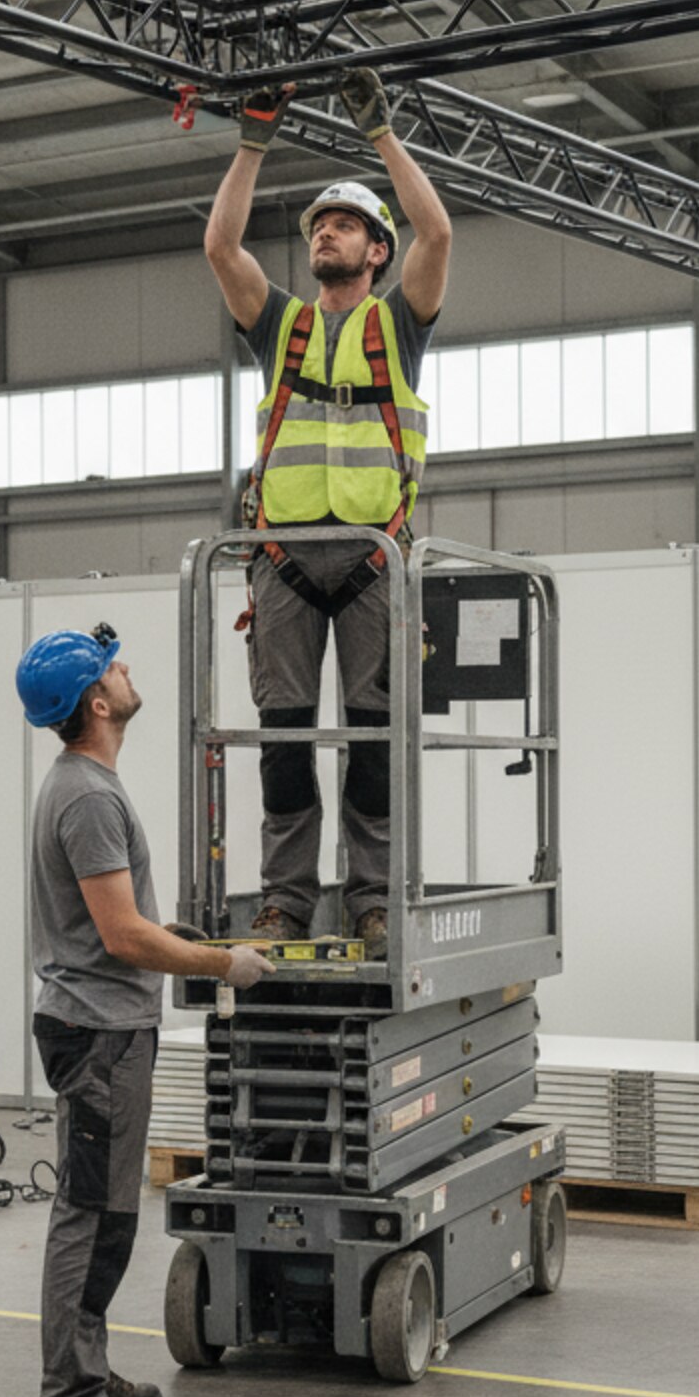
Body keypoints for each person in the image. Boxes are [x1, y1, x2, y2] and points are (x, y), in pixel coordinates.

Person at [203, 65, 453, 956]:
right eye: (318, 225)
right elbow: (222, 246)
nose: (325, 233)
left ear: (377, 250)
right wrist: (253, 142)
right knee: (283, 743)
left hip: (375, 560)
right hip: (282, 562)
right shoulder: (282, 327)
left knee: (375, 741)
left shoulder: (399, 326)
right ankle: (285, 901)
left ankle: (374, 900)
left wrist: (382, 132)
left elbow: (439, 231)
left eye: (344, 224)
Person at [16, 624, 270, 1397]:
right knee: (92, 1217)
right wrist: (222, 964)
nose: (125, 670)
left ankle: (85, 1367)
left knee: (108, 1215)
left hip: (104, 1026)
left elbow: (121, 924)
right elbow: (122, 936)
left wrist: (178, 941)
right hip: (100, 1033)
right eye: (111, 668)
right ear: (97, 703)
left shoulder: (86, 783)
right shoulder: (89, 796)